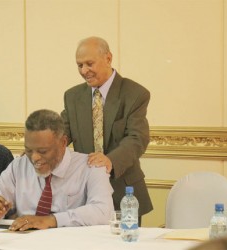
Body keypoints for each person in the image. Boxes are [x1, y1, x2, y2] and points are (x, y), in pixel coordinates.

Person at [61, 36, 153, 222]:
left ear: (108, 59)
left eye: (89, 64)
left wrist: (109, 160)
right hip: (84, 196)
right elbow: (60, 133)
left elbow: (137, 138)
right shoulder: (72, 96)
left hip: (124, 195)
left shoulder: (135, 93)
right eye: (79, 65)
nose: (84, 71)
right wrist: (40, 148)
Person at [0, 109, 114, 230]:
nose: (34, 158)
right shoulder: (19, 166)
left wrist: (51, 220)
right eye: (28, 150)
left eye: (43, 151)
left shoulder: (91, 167)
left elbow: (104, 211)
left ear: (63, 143)